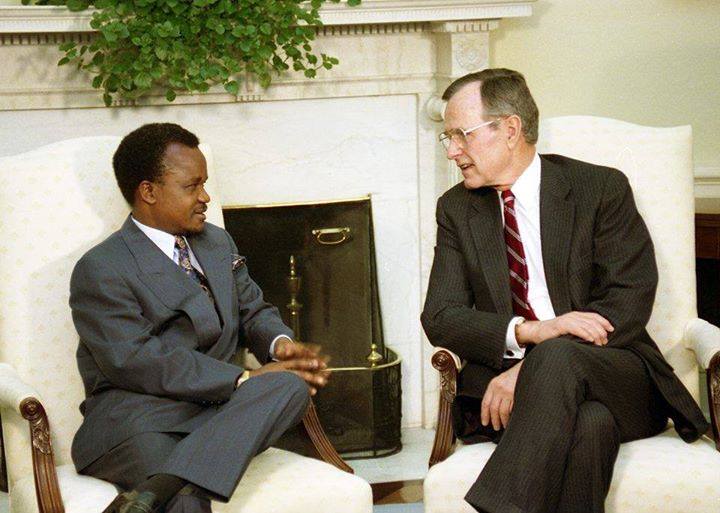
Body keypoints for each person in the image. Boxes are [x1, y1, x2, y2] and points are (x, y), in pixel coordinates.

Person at [421, 69, 708, 513]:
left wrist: (533, 369)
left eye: (462, 134)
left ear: (510, 129)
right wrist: (532, 332)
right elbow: (439, 315)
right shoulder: (457, 209)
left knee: (557, 360)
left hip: (615, 376)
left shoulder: (599, 189)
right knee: (590, 426)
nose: (452, 151)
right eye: (448, 138)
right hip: (501, 398)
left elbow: (628, 299)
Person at [69, 123, 330, 513]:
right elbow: (136, 360)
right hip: (143, 418)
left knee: (289, 386)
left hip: (217, 410)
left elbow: (252, 309)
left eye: (205, 184)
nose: (205, 197)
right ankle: (177, 485)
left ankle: (159, 487)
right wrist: (242, 379)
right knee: (187, 504)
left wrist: (282, 346)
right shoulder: (102, 267)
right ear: (149, 192)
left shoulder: (216, 241)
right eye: (192, 187)